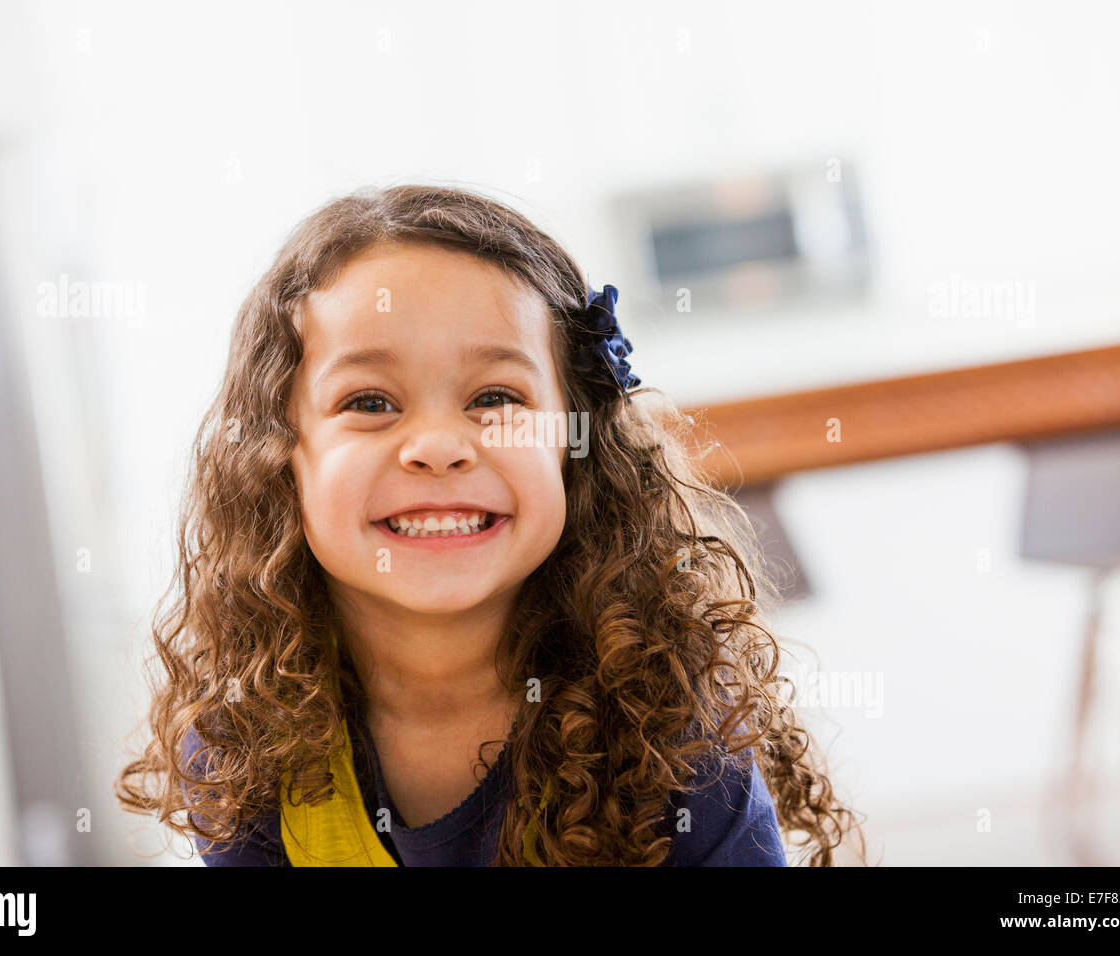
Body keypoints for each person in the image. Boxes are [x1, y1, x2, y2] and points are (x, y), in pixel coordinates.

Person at [116, 184, 864, 866]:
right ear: (281, 459)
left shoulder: (670, 726)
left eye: (495, 397)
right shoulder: (245, 749)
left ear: (576, 446)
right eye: (370, 402)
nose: (439, 446)